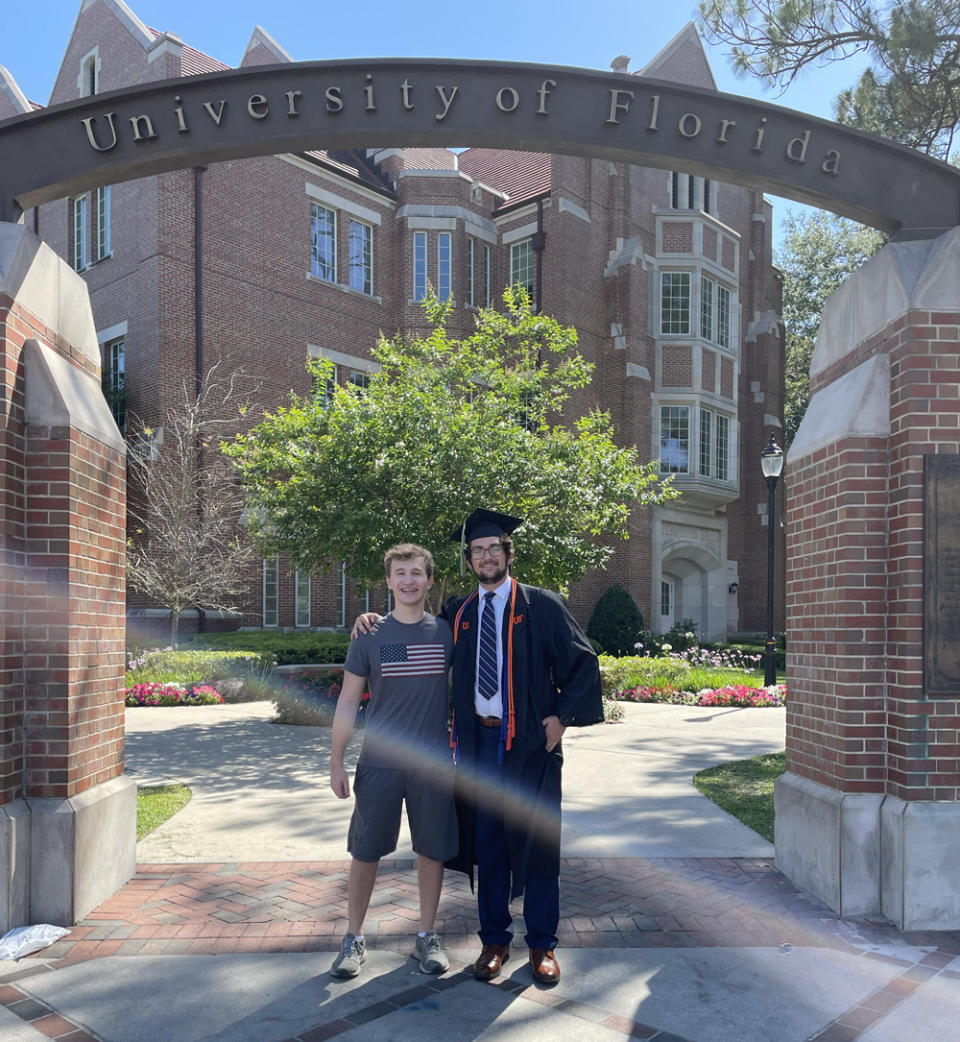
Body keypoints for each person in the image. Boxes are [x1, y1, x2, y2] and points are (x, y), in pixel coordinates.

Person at [354, 509, 603, 985]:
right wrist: (373, 624)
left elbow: (584, 663)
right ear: (469, 560)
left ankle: (542, 945)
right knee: (487, 846)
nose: (486, 556)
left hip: (531, 745)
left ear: (509, 553)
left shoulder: (541, 606)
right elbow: (409, 646)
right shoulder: (458, 614)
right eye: (477, 550)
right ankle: (494, 940)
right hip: (476, 745)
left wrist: (562, 718)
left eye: (494, 548)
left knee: (538, 844)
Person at [329, 542, 457, 979]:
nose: (408, 580)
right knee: (365, 852)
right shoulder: (371, 635)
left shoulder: (445, 633)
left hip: (433, 764)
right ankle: (354, 938)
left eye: (416, 572)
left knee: (431, 850)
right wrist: (336, 760)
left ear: (429, 579)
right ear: (387, 581)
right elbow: (348, 703)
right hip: (379, 764)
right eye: (400, 573)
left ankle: (426, 936)